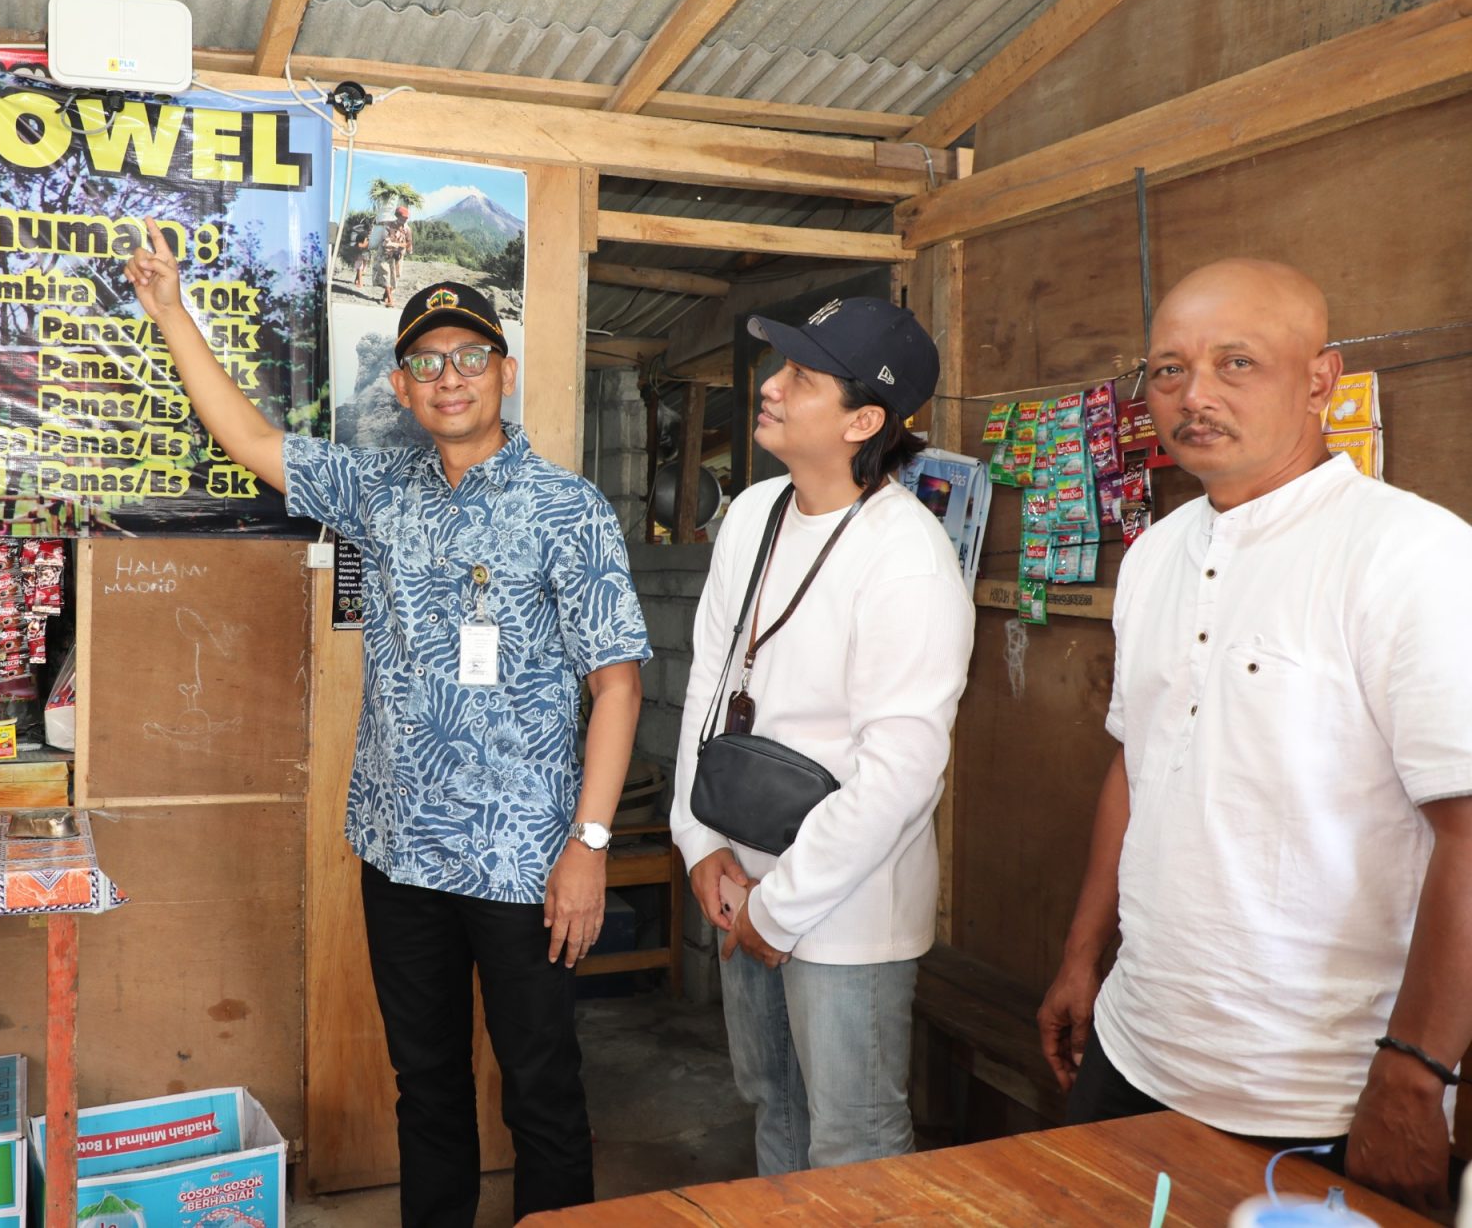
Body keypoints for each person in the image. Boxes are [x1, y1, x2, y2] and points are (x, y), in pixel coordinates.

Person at [125, 226, 650, 1225]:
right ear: (402, 388)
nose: (450, 377)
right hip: (401, 852)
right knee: (427, 1088)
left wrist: (588, 845)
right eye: (426, 363)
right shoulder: (381, 492)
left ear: (502, 373)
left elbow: (616, 686)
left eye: (469, 357)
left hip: (525, 864)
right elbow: (251, 440)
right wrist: (171, 314)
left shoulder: (568, 509)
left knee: (543, 1092)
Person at [1037, 259, 1471, 1218]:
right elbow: (1137, 764)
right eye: (1168, 369)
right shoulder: (1155, 555)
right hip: (1135, 1045)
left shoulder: (1412, 554)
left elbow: (1469, 833)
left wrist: (1415, 1073)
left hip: (1319, 1092)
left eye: (1237, 363)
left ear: (1320, 378)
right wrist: (1082, 955)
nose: (1195, 395)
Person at [671, 296, 974, 1174]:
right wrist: (699, 841)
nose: (771, 387)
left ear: (863, 421)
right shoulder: (753, 514)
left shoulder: (907, 556)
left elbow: (899, 775)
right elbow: (709, 682)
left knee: (854, 1143)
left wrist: (780, 908)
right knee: (775, 1110)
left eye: (801, 377)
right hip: (739, 877)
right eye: (782, 368)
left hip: (846, 911)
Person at [376, 205, 414, 306]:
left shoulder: (407, 229)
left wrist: (407, 248)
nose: (405, 219)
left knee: (396, 276)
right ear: (398, 216)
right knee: (387, 274)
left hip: (398, 256)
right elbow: (385, 241)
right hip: (386, 254)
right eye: (403, 217)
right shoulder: (388, 225)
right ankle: (390, 300)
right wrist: (400, 245)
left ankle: (386, 294)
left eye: (406, 218)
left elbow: (409, 242)